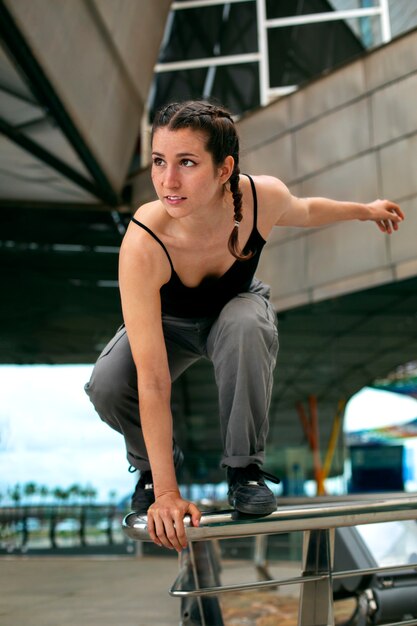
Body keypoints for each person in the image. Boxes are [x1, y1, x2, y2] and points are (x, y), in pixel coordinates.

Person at [85, 99, 404, 553]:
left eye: (187, 162)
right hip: (169, 325)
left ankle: (244, 471)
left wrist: (366, 209)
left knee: (246, 322)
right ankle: (152, 474)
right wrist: (168, 492)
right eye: (159, 162)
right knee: (109, 385)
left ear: (223, 168)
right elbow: (153, 380)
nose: (167, 180)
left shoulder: (259, 198)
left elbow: (308, 210)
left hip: (233, 313)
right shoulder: (143, 242)